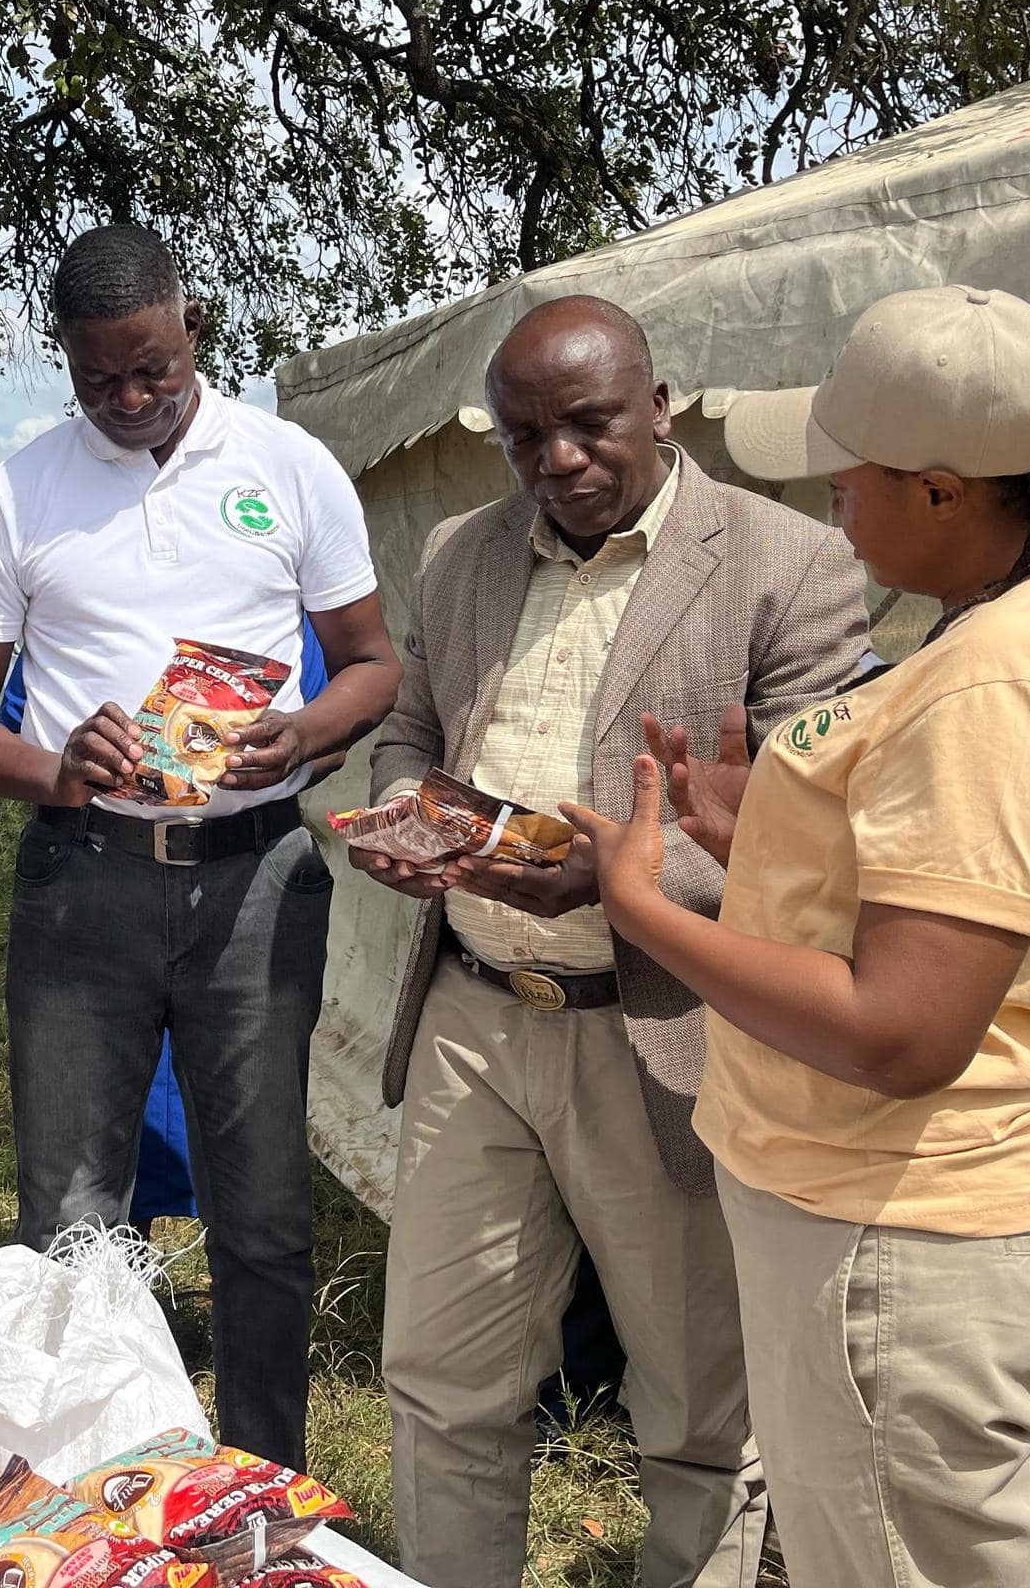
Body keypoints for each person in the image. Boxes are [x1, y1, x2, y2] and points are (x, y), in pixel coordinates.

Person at [572, 286, 1030, 1588]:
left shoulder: (998, 681)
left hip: (904, 1237)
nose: (829, 504)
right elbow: (982, 921)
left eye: (847, 476)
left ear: (939, 490)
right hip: (972, 1205)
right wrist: (771, 847)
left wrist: (641, 906)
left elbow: (904, 1028)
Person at [354, 295, 869, 1588]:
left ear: (658, 402)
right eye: (526, 437)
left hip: (658, 1032)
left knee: (698, 1404)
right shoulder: (466, 555)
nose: (559, 461)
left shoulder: (786, 562)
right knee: (441, 1376)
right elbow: (411, 731)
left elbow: (818, 822)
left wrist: (629, 877)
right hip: (475, 1009)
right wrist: (415, 821)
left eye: (588, 425)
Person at [0, 224, 400, 1468]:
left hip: (255, 876)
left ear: (195, 326)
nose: (128, 400)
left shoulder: (291, 468)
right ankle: (85, 1484)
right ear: (64, 363)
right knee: (73, 1219)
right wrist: (54, 767)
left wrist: (301, 735)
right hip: (84, 891)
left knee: (263, 1215)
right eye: (97, 380)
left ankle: (256, 1485)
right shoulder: (16, 495)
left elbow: (372, 667)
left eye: (152, 370)